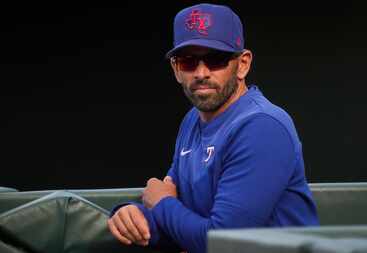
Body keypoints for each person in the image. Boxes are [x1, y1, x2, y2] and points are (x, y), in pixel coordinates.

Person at [107, 3, 319, 253]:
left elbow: (223, 242)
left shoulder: (262, 127)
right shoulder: (192, 120)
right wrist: (130, 214)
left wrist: (160, 202)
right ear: (176, 69)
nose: (201, 73)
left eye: (215, 59)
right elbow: (179, 213)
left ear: (243, 64)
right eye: (188, 61)